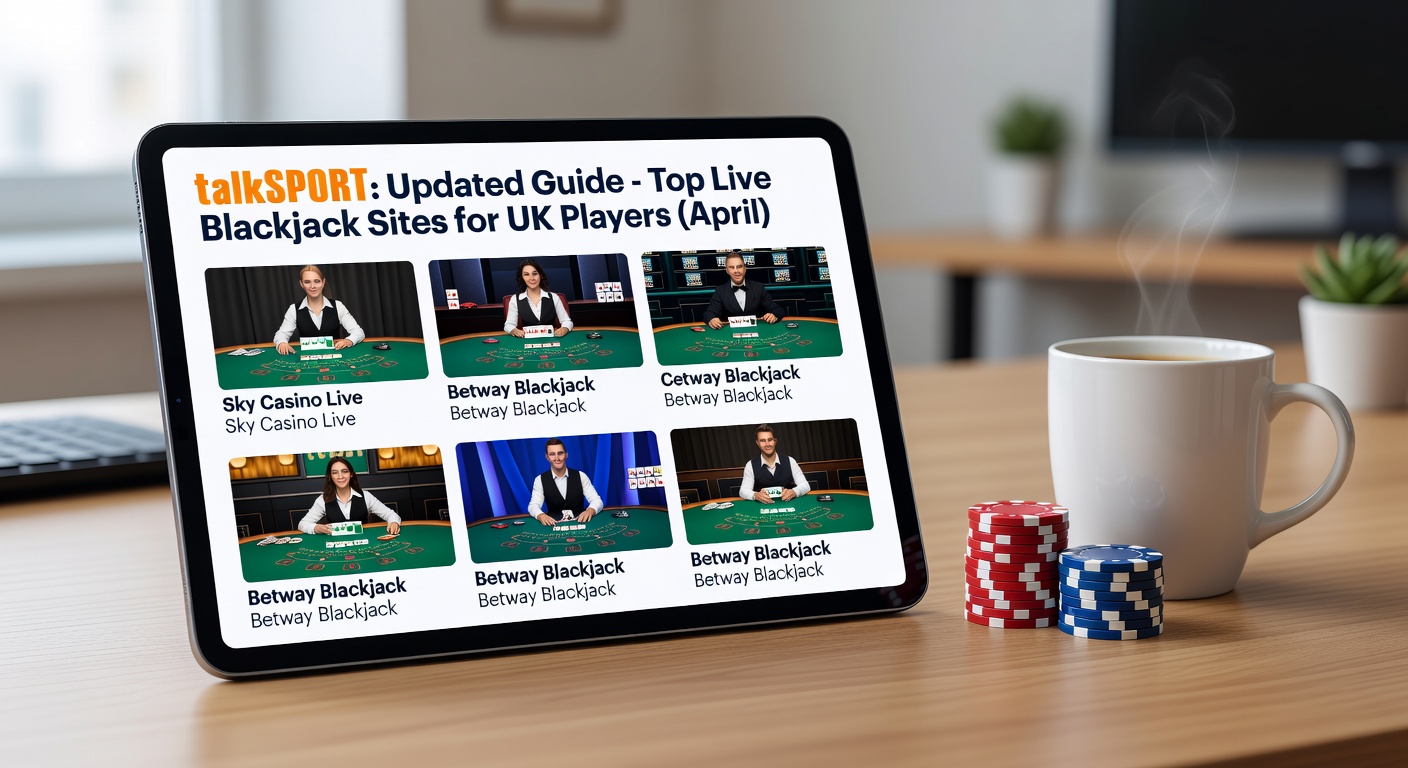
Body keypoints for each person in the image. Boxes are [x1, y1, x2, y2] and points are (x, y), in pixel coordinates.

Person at [297, 456, 402, 535]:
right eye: (335, 472)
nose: (340, 476)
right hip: (337, 546)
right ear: (330, 476)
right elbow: (302, 524)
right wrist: (316, 528)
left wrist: (393, 522)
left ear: (351, 474)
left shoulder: (365, 496)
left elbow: (391, 515)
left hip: (364, 543)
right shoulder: (323, 499)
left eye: (344, 471)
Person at [273, 265, 365, 355]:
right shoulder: (294, 309)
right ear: (301, 284)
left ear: (323, 282)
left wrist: (348, 341)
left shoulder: (338, 306)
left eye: (317, 281)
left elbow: (358, 332)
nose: (312, 286)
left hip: (335, 358)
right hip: (307, 361)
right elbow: (281, 334)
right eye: (307, 282)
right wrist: (282, 342)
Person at [528, 438, 603, 525]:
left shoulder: (581, 476)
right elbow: (533, 505)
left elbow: (597, 501)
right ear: (547, 457)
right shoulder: (539, 480)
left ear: (566, 455)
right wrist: (540, 515)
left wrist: (590, 510)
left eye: (560, 453)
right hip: (554, 526)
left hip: (580, 523)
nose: (557, 458)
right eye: (552, 454)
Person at [703, 252, 783, 329]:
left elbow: (778, 310)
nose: (736, 271)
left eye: (739, 267)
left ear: (745, 269)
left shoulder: (758, 287)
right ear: (727, 271)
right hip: (730, 334)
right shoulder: (720, 291)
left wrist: (773, 315)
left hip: (756, 331)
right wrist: (711, 319)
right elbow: (708, 314)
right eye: (731, 267)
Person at [738, 424, 810, 504]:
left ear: (775, 441)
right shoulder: (750, 465)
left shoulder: (790, 460)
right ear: (757, 443)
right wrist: (756, 495)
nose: (767, 444)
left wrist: (794, 492)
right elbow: (743, 491)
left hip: (789, 505)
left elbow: (805, 485)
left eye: (770, 439)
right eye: (762, 440)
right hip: (762, 508)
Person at [504, 259, 572, 337]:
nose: (531, 278)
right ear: (522, 277)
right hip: (527, 342)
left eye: (535, 274)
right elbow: (508, 325)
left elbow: (567, 321)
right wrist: (513, 330)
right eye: (526, 274)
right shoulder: (515, 299)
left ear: (541, 275)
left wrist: (565, 328)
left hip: (552, 340)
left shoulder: (554, 297)